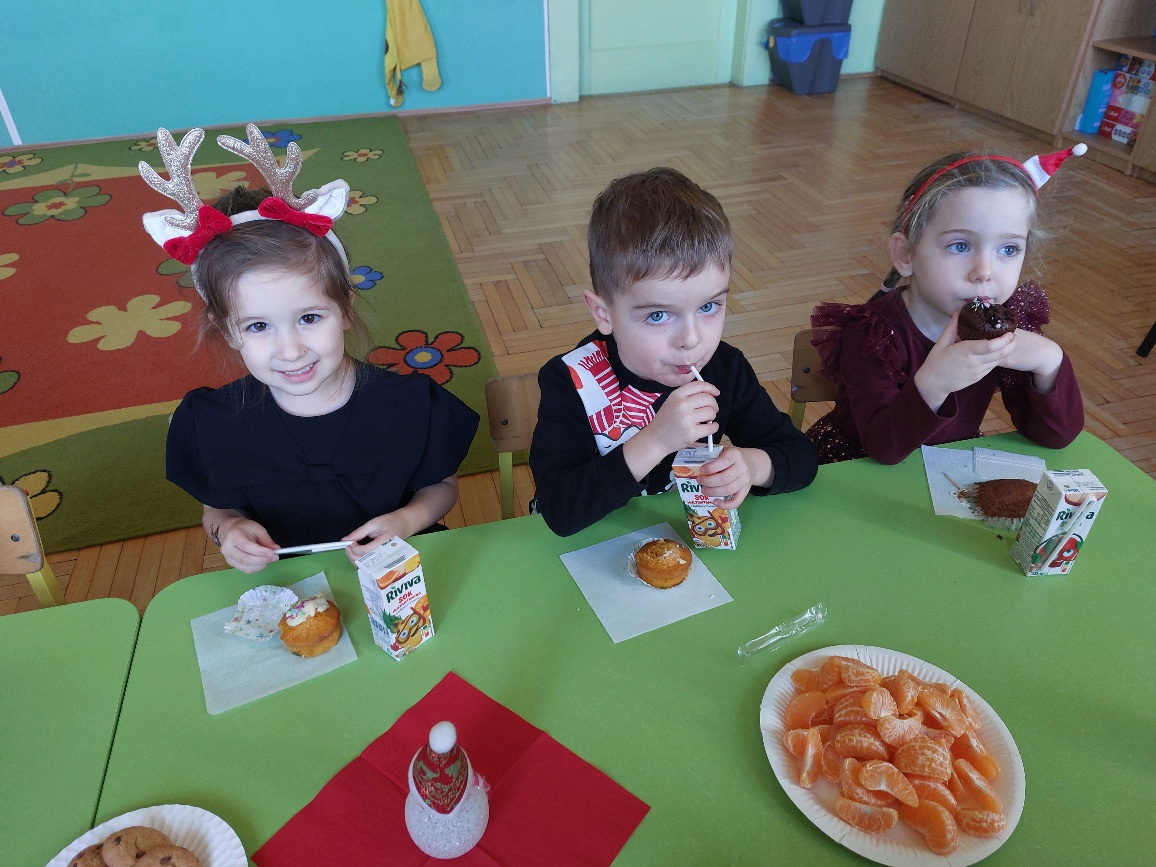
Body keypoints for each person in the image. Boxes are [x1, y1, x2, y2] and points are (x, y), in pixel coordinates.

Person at [140, 125, 478, 573]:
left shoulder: (412, 404)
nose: (291, 350)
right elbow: (217, 509)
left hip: (398, 569)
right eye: (258, 326)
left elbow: (442, 486)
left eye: (310, 318)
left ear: (346, 309)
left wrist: (407, 519)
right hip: (287, 584)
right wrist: (229, 530)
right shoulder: (213, 423)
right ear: (228, 332)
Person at [530, 167, 818, 537]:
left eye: (709, 307)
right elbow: (559, 510)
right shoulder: (571, 381)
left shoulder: (724, 369)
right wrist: (655, 440)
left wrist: (752, 465)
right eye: (658, 315)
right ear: (604, 313)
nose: (691, 340)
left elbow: (801, 456)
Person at [807, 147, 1086, 465]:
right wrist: (934, 383)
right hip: (855, 467)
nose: (984, 271)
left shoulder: (1004, 325)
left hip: (948, 469)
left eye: (1008, 249)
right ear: (906, 255)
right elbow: (883, 447)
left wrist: (1049, 362)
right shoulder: (872, 335)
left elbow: (1056, 436)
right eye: (960, 246)